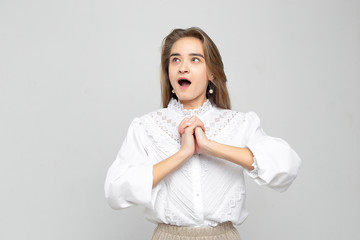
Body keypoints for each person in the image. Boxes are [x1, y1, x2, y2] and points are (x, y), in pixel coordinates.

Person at [104, 27, 301, 240]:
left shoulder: (239, 123)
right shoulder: (146, 126)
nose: (183, 68)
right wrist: (182, 154)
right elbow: (115, 191)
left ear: (212, 72)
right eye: (175, 60)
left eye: (195, 60)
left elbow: (287, 167)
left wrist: (210, 147)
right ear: (168, 71)